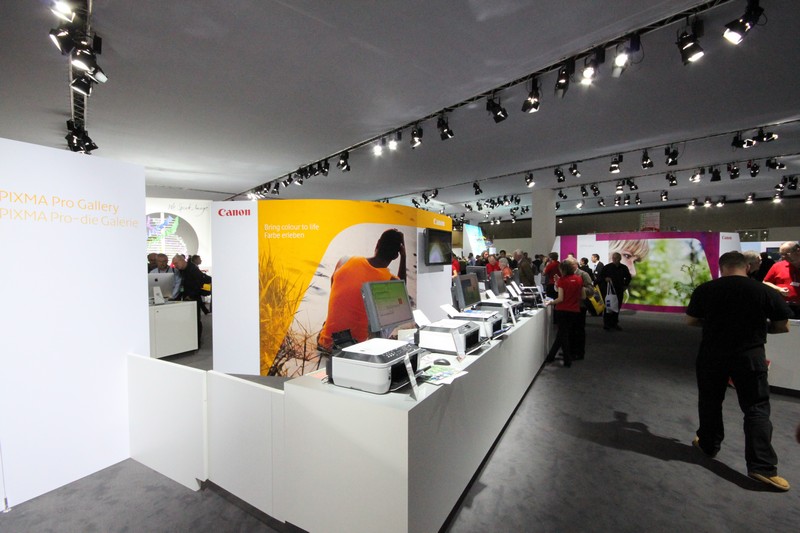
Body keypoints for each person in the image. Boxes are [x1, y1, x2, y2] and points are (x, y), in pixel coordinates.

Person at [686, 251, 792, 491]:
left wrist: (713, 324)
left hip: (712, 354)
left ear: (721, 267)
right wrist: (759, 327)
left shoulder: (706, 289)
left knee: (710, 400)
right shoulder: (764, 291)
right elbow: (783, 326)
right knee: (756, 407)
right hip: (749, 355)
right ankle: (762, 467)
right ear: (748, 267)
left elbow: (691, 321)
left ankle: (708, 444)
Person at [318, 229, 406, 351]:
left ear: (377, 243)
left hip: (325, 342)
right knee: (390, 318)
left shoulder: (345, 261)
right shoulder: (389, 281)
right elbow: (402, 299)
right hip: (355, 349)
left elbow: (334, 287)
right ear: (396, 255)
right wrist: (404, 257)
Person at [544, 259, 585, 368]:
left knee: (563, 335)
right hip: (574, 311)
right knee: (562, 334)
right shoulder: (579, 279)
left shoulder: (562, 281)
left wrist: (550, 302)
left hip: (562, 310)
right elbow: (583, 296)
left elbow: (560, 298)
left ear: (563, 270)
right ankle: (551, 356)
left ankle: (567, 359)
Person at [172, 254, 205, 346]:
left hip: (194, 298)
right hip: (186, 298)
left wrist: (191, 295)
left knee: (195, 320)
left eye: (176, 263)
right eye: (174, 264)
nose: (175, 266)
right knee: (188, 320)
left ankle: (197, 342)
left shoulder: (193, 269)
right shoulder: (182, 270)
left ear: (182, 260)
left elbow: (199, 284)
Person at [762, 241, 800, 319]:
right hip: (783, 306)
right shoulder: (777, 266)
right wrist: (779, 289)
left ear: (798, 251)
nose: (783, 257)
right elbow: (765, 282)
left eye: (786, 254)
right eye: (781, 254)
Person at [598, 252, 631, 330]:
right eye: (614, 258)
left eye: (616, 258)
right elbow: (600, 277)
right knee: (608, 307)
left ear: (620, 259)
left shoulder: (624, 268)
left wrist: (625, 285)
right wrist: (605, 279)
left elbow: (628, 277)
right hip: (608, 291)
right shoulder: (607, 267)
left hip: (619, 290)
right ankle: (607, 324)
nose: (615, 259)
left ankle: (614, 323)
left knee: (617, 307)